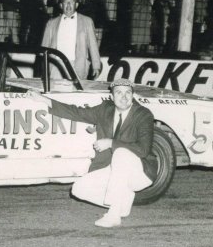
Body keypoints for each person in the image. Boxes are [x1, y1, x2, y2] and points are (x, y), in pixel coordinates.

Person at [28, 78, 157, 228]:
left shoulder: (143, 114)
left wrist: (111, 143)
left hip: (140, 172)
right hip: (115, 170)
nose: (124, 97)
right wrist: (44, 100)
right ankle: (123, 202)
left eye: (128, 93)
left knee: (121, 153)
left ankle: (114, 214)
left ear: (133, 95)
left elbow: (143, 149)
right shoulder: (105, 109)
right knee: (79, 189)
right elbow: (77, 112)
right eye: (119, 93)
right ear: (112, 96)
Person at [42, 0, 101, 80]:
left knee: (75, 92)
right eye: (65, 2)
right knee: (55, 91)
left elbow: (93, 45)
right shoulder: (51, 23)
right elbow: (44, 46)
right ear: (61, 5)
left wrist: (96, 66)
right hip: (56, 65)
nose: (68, 5)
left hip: (78, 65)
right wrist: (43, 67)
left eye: (72, 2)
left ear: (76, 5)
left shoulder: (87, 21)